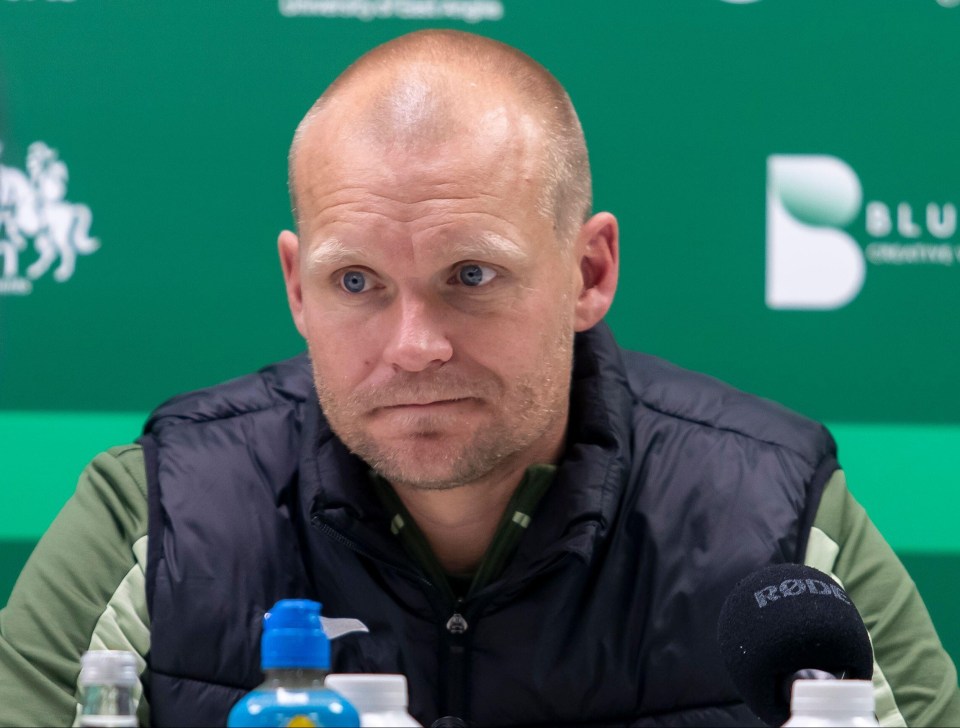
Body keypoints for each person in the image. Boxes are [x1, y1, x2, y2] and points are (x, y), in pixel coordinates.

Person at [1, 29, 958, 728]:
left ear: (590, 273)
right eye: (357, 282)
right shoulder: (150, 519)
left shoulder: (784, 523)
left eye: (471, 276)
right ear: (297, 287)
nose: (414, 344)